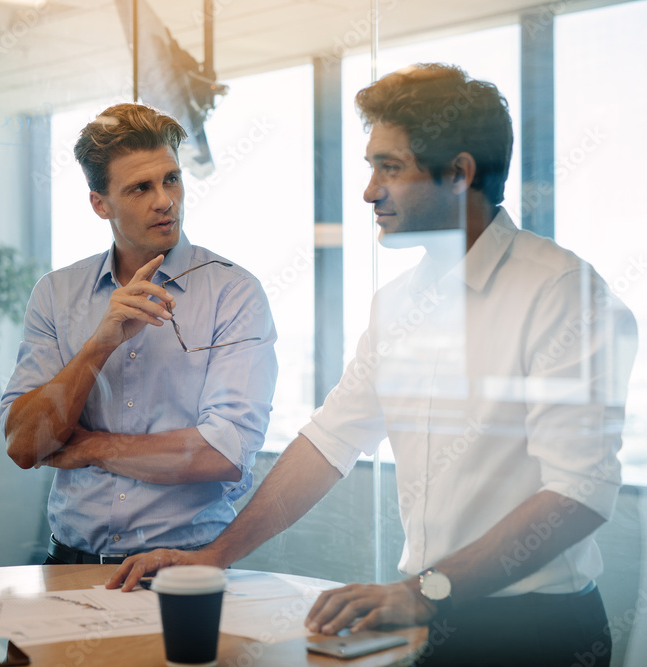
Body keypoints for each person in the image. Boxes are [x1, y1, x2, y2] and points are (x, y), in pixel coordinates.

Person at [109, 64, 638, 666]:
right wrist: (216, 555)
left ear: (459, 173)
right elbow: (330, 441)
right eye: (370, 168)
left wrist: (425, 591)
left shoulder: (565, 294)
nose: (368, 191)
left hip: (535, 631)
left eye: (389, 167)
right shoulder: (399, 304)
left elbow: (579, 491)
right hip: (423, 620)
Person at [0, 103, 277, 565]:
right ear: (99, 203)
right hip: (70, 565)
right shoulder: (56, 293)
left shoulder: (234, 293)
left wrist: (89, 446)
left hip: (184, 569)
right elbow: (25, 445)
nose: (164, 200)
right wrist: (100, 343)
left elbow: (222, 454)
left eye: (171, 179)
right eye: (140, 188)